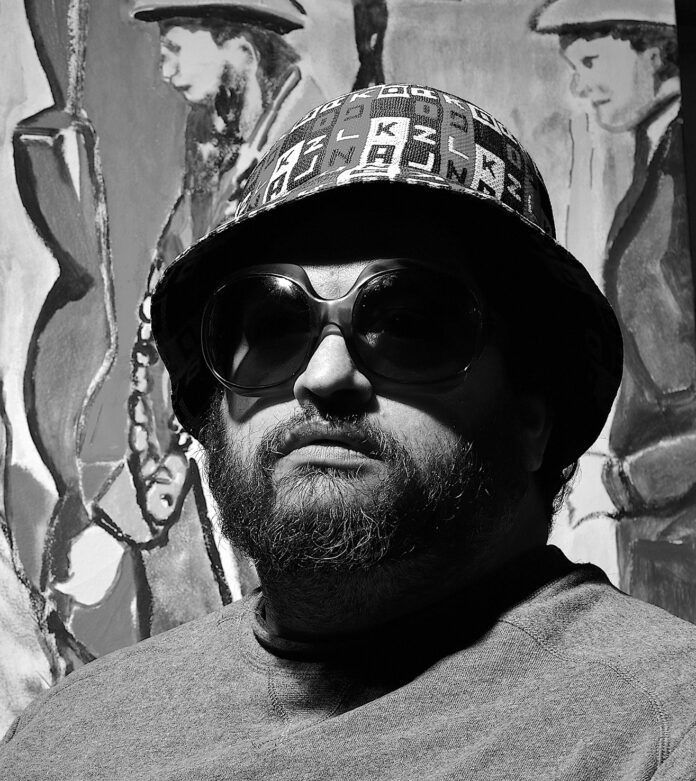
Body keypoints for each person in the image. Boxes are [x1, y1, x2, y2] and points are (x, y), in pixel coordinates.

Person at [3, 82, 696, 779]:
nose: (325, 374)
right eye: (274, 325)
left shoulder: (662, 728)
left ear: (531, 416)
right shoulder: (65, 738)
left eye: (408, 324)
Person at [531, 0, 696, 620]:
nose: (579, 87)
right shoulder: (661, 156)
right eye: (573, 67)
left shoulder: (679, 164)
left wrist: (624, 482)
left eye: (594, 61)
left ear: (655, 49)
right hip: (660, 537)